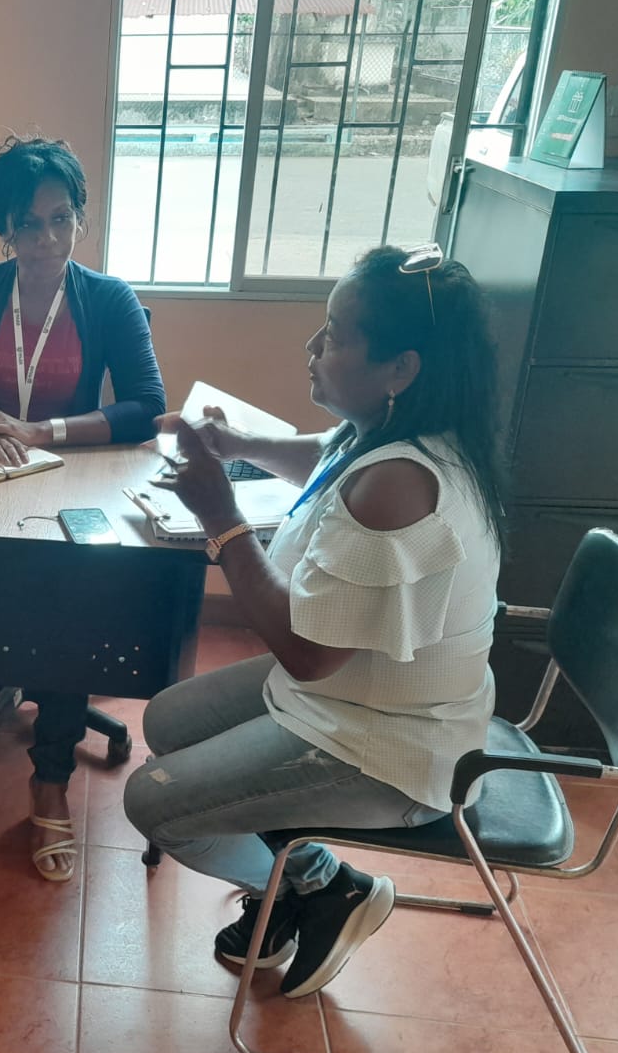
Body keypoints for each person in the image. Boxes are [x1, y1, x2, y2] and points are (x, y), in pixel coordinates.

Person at [123, 243, 506, 998]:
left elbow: (304, 652)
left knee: (153, 802)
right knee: (168, 720)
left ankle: (322, 887)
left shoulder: (400, 484)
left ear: (400, 368)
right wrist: (236, 445)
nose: (311, 346)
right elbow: (322, 458)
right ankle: (306, 883)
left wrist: (222, 519)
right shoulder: (396, 431)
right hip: (347, 698)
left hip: (387, 746)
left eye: (332, 336)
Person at [0, 135, 166, 882]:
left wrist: (44, 431)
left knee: (69, 612)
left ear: (81, 218)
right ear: (4, 230)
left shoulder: (108, 299)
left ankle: (49, 777)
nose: (46, 239)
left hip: (65, 486)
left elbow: (147, 406)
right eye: (27, 224)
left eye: (60, 219)